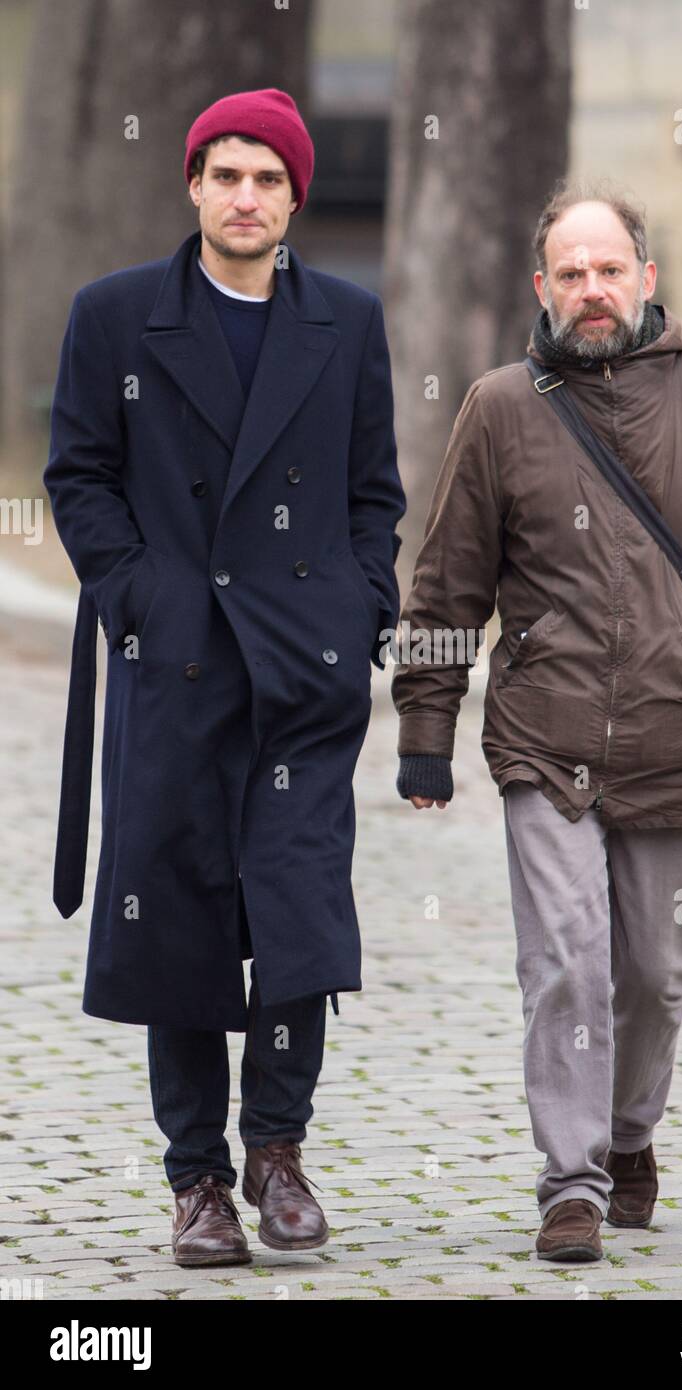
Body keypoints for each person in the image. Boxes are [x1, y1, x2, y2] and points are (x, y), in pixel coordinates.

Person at [391, 181, 682, 1262]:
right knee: (567, 963)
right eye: (570, 272)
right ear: (541, 287)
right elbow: (448, 585)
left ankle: (630, 1135)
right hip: (544, 739)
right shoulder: (500, 405)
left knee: (655, 975)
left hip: (678, 735)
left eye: (610, 268)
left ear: (646, 277)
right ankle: (572, 1182)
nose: (592, 289)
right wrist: (426, 728)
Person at [44, 88, 405, 1267]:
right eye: (225, 174)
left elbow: (371, 496)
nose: (245, 196)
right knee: (178, 914)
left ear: (297, 195)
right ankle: (197, 1178)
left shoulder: (346, 320)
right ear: (192, 184)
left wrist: (359, 613)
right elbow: (80, 475)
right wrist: (142, 598)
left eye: (267, 177)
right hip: (176, 667)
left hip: (303, 672)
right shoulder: (115, 317)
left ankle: (278, 1151)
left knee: (297, 911)